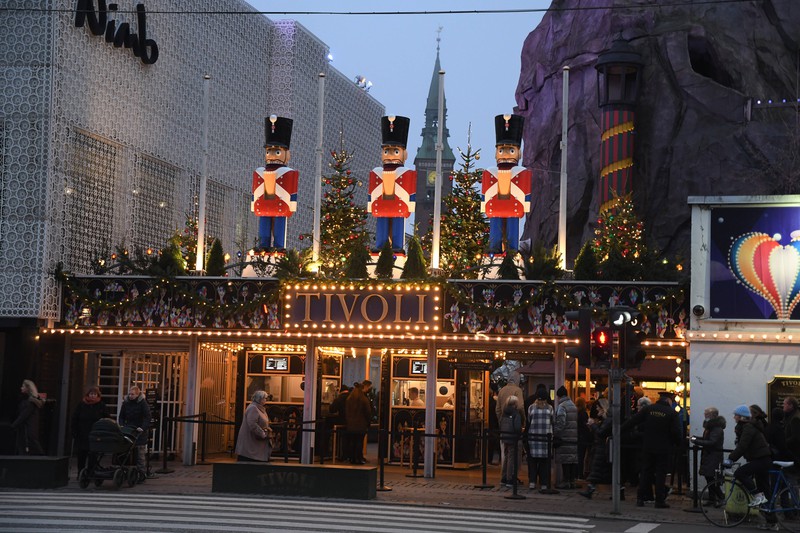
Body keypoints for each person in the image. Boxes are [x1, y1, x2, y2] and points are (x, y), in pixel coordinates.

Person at [621, 390, 682, 508]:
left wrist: (619, 431)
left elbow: (632, 421)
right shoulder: (671, 413)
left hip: (648, 446)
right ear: (669, 400)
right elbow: (676, 432)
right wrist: (677, 443)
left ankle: (640, 499)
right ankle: (659, 500)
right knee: (660, 474)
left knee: (646, 472)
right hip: (664, 448)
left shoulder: (648, 409)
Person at [481, 113, 531, 253]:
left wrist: (526, 203)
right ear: (496, 153)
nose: (506, 155)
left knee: (512, 228)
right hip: (496, 206)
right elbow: (486, 190)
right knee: (495, 229)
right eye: (501, 150)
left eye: (511, 150)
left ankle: (512, 250)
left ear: (519, 153)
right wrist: (484, 203)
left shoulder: (521, 172)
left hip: (513, 207)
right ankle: (495, 249)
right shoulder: (491, 172)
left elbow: (525, 191)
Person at [368, 115, 416, 251]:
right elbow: (372, 189)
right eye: (385, 151)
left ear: (404, 155)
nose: (389, 155)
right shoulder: (377, 172)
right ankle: (380, 246)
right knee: (381, 226)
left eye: (395, 151)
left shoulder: (406, 173)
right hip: (382, 205)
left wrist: (411, 204)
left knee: (398, 227)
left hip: (399, 206)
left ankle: (397, 247)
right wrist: (370, 203)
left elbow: (411, 191)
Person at [252, 115, 298, 250]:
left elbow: (292, 191)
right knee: (264, 226)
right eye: (268, 151)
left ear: (287, 155)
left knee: (279, 226)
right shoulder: (260, 172)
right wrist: (254, 202)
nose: (271, 155)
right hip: (264, 205)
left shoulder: (288, 173)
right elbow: (256, 190)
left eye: (277, 151)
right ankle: (263, 246)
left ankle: (279, 247)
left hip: (280, 205)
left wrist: (292, 204)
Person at [728, 404, 773, 508]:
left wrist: (730, 459)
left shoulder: (748, 427)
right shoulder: (747, 426)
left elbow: (742, 446)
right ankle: (771, 519)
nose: (734, 417)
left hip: (761, 460)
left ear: (741, 416)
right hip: (761, 459)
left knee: (740, 473)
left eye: (736, 415)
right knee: (764, 489)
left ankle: (757, 496)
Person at [691, 406, 726, 505]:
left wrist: (695, 441)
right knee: (709, 477)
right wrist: (694, 438)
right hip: (710, 455)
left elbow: (712, 442)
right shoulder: (711, 427)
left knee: (711, 478)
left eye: (707, 414)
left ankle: (720, 497)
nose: (705, 415)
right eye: (705, 413)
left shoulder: (716, 428)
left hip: (713, 456)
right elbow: (706, 438)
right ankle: (712, 499)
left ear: (713, 415)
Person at [579, 398, 612, 499]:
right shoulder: (606, 420)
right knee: (600, 471)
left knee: (600, 470)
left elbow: (601, 433)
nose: (597, 410)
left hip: (603, 448)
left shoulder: (607, 420)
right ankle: (590, 489)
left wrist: (593, 425)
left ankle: (590, 489)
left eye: (598, 408)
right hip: (603, 448)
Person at [71, 385, 108, 473]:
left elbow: (106, 417)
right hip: (82, 433)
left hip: (95, 434)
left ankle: (91, 472)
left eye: (95, 394)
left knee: (93, 454)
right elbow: (75, 418)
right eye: (91, 394)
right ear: (88, 394)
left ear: (98, 395)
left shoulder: (101, 405)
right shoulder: (82, 405)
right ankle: (81, 472)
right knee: (82, 454)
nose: (93, 396)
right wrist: (74, 431)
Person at [527, 387, 557, 493]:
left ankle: (532, 482)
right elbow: (553, 422)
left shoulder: (531, 408)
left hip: (534, 438)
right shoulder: (550, 408)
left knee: (533, 462)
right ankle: (544, 483)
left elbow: (528, 421)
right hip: (546, 440)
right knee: (545, 462)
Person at [118, 385, 151, 478]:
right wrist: (121, 425)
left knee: (140, 454)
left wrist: (142, 427)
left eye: (132, 394)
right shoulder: (126, 403)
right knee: (126, 451)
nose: (130, 396)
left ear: (137, 394)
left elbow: (147, 417)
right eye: (129, 394)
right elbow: (122, 416)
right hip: (129, 430)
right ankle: (127, 471)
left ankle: (141, 473)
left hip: (139, 431)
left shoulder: (143, 403)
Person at [235, 390, 272, 462]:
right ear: (259, 399)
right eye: (264, 398)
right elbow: (252, 424)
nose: (266, 400)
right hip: (251, 442)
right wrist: (262, 434)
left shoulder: (260, 408)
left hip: (256, 442)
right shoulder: (253, 408)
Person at [553, 385, 579, 490]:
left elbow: (561, 422)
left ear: (559, 396)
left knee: (565, 461)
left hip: (565, 437)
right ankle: (572, 481)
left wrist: (556, 433)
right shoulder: (573, 405)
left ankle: (566, 481)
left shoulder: (562, 406)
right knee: (572, 459)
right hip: (573, 436)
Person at [11, 379, 44, 455]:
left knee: (32, 451)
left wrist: (13, 426)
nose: (21, 388)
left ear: (28, 388)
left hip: (27, 432)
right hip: (25, 431)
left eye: (23, 386)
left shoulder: (30, 403)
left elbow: (23, 416)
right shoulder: (26, 400)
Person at [499, 395, 524, 487]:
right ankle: (509, 479)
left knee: (506, 456)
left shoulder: (504, 412)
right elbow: (517, 428)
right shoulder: (516, 414)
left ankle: (504, 477)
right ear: (515, 404)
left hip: (504, 436)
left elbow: (500, 423)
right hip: (513, 438)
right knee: (511, 458)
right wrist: (521, 432)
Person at [345, 382, 372, 464]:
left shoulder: (349, 399)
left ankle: (352, 458)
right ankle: (358, 458)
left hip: (350, 425)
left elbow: (346, 412)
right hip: (361, 425)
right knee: (359, 442)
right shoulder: (363, 399)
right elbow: (368, 412)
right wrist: (368, 422)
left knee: (352, 441)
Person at [575, 396, 590, 479]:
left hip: (577, 436)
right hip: (583, 437)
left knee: (578, 456)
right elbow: (585, 426)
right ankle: (580, 474)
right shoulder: (583, 413)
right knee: (581, 456)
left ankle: (577, 473)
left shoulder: (576, 413)